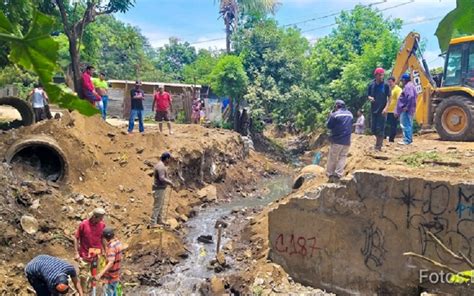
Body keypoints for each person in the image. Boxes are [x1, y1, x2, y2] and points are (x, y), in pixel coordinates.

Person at [326, 100, 353, 182]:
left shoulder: (335, 115)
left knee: (332, 157)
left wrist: (330, 116)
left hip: (337, 140)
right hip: (347, 140)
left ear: (337, 106)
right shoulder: (350, 114)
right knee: (343, 157)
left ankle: (330, 174)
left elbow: (329, 126)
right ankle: (338, 174)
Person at [367, 67, 391, 151]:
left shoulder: (386, 85)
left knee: (380, 129)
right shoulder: (371, 85)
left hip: (382, 111)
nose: (381, 77)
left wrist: (386, 108)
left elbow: (389, 98)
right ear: (376, 75)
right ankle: (377, 144)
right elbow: (368, 95)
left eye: (382, 75)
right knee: (373, 129)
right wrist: (370, 98)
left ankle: (378, 146)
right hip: (374, 110)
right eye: (380, 75)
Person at [95, 228, 122, 296]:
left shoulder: (111, 247)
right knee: (117, 293)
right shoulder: (118, 243)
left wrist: (100, 274)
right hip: (117, 274)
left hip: (110, 277)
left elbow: (110, 263)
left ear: (105, 238)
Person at [151, 152, 174, 227]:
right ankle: (153, 223)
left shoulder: (160, 165)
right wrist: (170, 182)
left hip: (160, 188)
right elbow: (162, 178)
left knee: (160, 205)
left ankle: (159, 220)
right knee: (157, 206)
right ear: (166, 158)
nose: (170, 160)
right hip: (158, 189)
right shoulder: (161, 166)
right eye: (169, 159)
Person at [395, 73, 418, 145]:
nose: (401, 82)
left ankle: (407, 140)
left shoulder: (408, 87)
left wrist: (407, 107)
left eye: (402, 80)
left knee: (405, 124)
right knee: (408, 124)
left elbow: (410, 97)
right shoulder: (411, 86)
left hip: (406, 109)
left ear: (404, 80)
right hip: (409, 108)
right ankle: (408, 139)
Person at [386, 76, 402, 142]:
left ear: (394, 82)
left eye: (390, 82)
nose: (389, 84)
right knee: (387, 124)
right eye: (388, 82)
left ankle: (391, 139)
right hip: (388, 110)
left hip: (394, 110)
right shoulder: (389, 89)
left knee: (393, 125)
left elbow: (399, 100)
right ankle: (386, 136)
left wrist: (396, 110)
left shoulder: (398, 89)